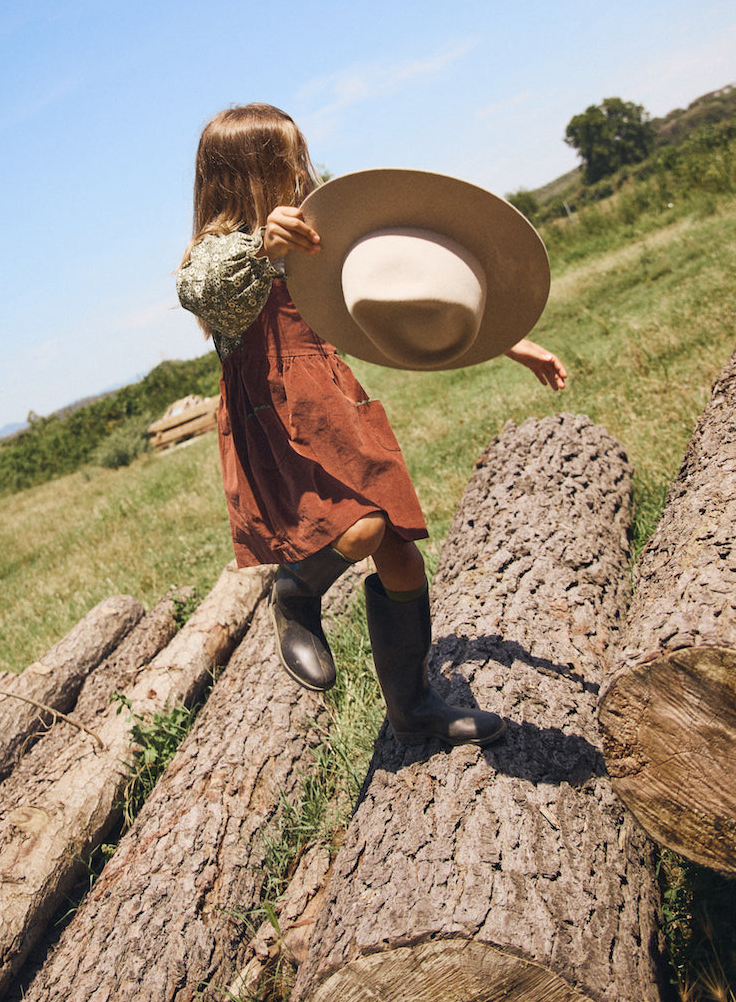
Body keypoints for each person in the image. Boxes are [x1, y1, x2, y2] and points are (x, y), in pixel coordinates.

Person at [176, 103, 566, 748]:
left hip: (335, 407)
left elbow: (391, 303)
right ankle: (295, 592)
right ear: (243, 175)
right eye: (286, 161)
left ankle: (414, 710)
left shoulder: (313, 242)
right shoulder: (223, 255)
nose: (302, 169)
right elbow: (201, 290)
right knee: (360, 528)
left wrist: (507, 340)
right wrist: (258, 246)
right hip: (277, 421)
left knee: (402, 557)